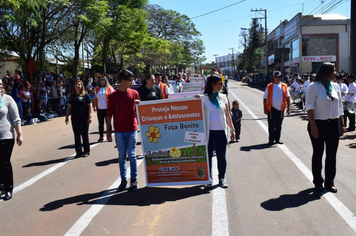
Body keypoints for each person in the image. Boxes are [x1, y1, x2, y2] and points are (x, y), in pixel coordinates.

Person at [306, 62, 344, 193]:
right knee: (318, 153)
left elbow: (340, 107)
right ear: (326, 72)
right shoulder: (314, 87)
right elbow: (309, 107)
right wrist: (313, 125)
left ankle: (330, 182)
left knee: (332, 155)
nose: (335, 73)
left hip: (334, 124)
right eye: (333, 70)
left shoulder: (335, 86)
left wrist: (342, 123)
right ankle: (318, 182)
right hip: (318, 124)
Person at [195, 75, 235, 189]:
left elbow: (227, 115)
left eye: (222, 83)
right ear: (212, 84)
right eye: (219, 83)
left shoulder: (223, 97)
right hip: (208, 133)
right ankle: (209, 178)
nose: (221, 85)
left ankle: (222, 178)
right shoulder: (204, 98)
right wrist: (194, 100)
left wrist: (232, 129)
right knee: (207, 156)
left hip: (221, 131)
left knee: (221, 156)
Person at [106, 69, 141, 192]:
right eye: (130, 80)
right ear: (122, 81)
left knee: (132, 155)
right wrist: (108, 131)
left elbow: (140, 111)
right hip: (119, 131)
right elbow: (109, 114)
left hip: (132, 129)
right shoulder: (112, 96)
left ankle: (134, 179)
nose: (132, 82)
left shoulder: (134, 94)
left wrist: (139, 105)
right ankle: (123, 180)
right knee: (121, 155)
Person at [0, 79, 23, 200]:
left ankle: (8, 188)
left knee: (4, 162)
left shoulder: (7, 99)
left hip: (6, 136)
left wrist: (19, 134)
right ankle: (1, 186)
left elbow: (16, 118)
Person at [65, 80, 93, 158]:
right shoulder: (72, 96)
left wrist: (90, 116)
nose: (78, 85)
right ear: (74, 86)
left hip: (84, 118)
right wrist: (67, 116)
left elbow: (90, 106)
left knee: (84, 134)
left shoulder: (86, 95)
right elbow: (69, 107)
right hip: (74, 118)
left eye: (79, 84)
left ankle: (86, 151)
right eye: (76, 84)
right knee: (76, 135)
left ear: (82, 86)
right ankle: (78, 151)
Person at [263, 71, 291, 146]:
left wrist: (288, 107)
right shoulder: (269, 86)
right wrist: (265, 108)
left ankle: (277, 139)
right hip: (271, 109)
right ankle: (271, 139)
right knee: (271, 125)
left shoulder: (284, 86)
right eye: (277, 77)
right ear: (273, 77)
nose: (279, 78)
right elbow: (265, 98)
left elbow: (288, 97)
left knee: (279, 125)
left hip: (281, 109)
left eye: (280, 77)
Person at [93, 76, 114, 142]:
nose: (102, 81)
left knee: (108, 123)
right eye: (101, 80)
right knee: (100, 123)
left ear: (106, 81)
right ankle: (101, 136)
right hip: (100, 108)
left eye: (103, 80)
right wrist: (94, 106)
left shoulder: (109, 88)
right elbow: (95, 98)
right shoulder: (97, 89)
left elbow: (113, 97)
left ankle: (109, 135)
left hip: (107, 108)